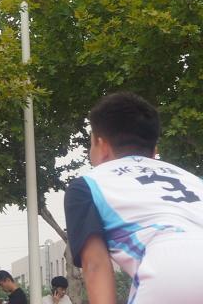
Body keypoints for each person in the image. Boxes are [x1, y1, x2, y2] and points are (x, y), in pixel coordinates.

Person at [64, 92, 203, 303]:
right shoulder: (193, 180)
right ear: (154, 151)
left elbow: (95, 265)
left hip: (170, 266)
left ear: (101, 146)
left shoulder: (88, 185)